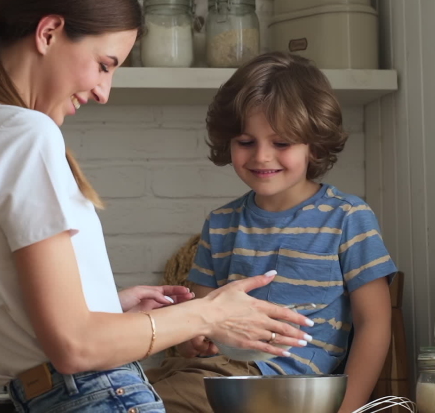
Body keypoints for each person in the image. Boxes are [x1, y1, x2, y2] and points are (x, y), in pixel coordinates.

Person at [0, 0, 314, 413]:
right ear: (49, 32)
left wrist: (104, 308)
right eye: (104, 64)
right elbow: (75, 349)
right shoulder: (25, 132)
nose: (104, 92)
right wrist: (209, 313)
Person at [147, 52, 398, 413]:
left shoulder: (347, 218)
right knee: (117, 387)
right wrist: (197, 342)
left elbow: (374, 323)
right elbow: (199, 322)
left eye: (281, 143)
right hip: (211, 374)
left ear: (314, 143)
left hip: (281, 386)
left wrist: (348, 409)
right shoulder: (221, 223)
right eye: (246, 142)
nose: (262, 157)